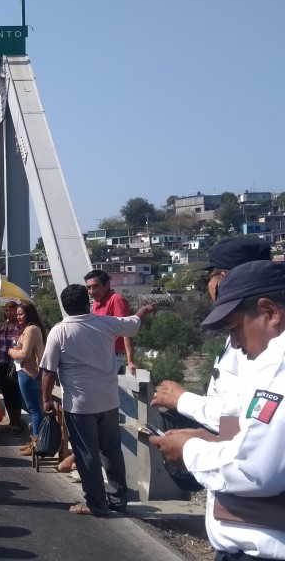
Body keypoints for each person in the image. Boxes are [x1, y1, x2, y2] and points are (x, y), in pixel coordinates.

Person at [152, 260, 285, 561]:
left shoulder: (278, 364)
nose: (235, 344)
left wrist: (190, 451)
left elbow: (255, 471)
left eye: (236, 329)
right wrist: (212, 442)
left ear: (270, 312)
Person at [40, 284, 155, 516]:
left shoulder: (59, 332)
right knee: (111, 451)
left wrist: (46, 400)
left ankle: (95, 503)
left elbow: (48, 371)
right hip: (109, 402)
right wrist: (144, 309)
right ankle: (118, 500)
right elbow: (134, 323)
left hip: (79, 406)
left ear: (65, 306)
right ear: (87, 302)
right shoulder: (107, 323)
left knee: (86, 454)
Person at [152, 239, 272, 432]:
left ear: (222, 279)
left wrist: (182, 400)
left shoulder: (261, 334)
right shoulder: (251, 324)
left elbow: (246, 416)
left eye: (210, 277)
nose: (237, 341)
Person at [8, 302, 46, 455]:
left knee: (35, 410)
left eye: (21, 314)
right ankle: (34, 442)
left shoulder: (31, 329)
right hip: (28, 372)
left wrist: (11, 351)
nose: (18, 317)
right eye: (17, 314)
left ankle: (36, 445)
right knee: (35, 409)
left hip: (29, 373)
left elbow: (25, 354)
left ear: (29, 314)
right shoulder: (31, 329)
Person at [84, 269, 136, 376]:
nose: (92, 291)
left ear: (107, 284)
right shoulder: (96, 303)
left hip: (111, 358)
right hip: (98, 357)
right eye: (89, 288)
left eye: (96, 286)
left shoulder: (116, 300)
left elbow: (126, 330)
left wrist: (130, 361)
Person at [0, 300, 25, 434]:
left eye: (11, 310)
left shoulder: (20, 328)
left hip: (14, 365)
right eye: (6, 310)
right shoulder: (3, 326)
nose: (9, 312)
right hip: (3, 362)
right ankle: (12, 422)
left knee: (14, 392)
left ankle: (17, 423)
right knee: (7, 393)